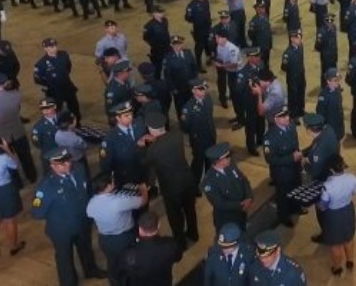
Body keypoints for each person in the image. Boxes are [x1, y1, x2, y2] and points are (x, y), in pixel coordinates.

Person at [31, 148, 107, 286]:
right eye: (61, 163)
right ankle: (69, 282)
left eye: (68, 161)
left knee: (86, 248)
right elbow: (37, 213)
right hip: (62, 230)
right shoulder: (46, 187)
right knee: (65, 257)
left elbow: (87, 190)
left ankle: (91, 270)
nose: (67, 165)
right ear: (52, 165)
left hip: (83, 221)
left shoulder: (79, 168)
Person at [143, 112, 198, 249]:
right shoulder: (177, 135)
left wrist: (144, 145)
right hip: (187, 181)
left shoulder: (152, 150)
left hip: (171, 188)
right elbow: (165, 144)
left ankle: (180, 243)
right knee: (190, 210)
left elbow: (148, 164)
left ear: (151, 130)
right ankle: (193, 234)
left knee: (175, 217)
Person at [85, 173, 148, 286]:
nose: (114, 182)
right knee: (129, 264)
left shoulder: (91, 204)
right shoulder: (118, 202)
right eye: (112, 181)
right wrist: (143, 190)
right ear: (108, 186)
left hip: (105, 240)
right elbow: (142, 202)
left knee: (112, 263)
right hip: (123, 238)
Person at [317, 154, 356, 275]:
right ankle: (350, 261)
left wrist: (317, 203)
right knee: (349, 238)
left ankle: (337, 267)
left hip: (333, 215)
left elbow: (323, 206)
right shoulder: (352, 178)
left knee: (335, 244)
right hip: (348, 210)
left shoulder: (327, 186)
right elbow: (354, 191)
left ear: (330, 170)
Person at [117, 211, 182, 286]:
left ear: (140, 229)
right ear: (159, 225)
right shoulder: (171, 244)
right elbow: (178, 257)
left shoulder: (130, 255)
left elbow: (122, 274)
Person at [202, 142, 254, 232]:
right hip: (227, 219)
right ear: (218, 161)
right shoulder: (209, 182)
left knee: (242, 232)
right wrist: (241, 204)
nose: (230, 158)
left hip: (241, 213)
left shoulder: (231, 165)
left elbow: (244, 181)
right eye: (227, 157)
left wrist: (249, 197)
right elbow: (220, 204)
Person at [263, 107, 302, 227]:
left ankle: (296, 208)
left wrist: (298, 160)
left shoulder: (291, 127)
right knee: (283, 196)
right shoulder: (270, 137)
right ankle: (284, 217)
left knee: (296, 189)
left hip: (295, 168)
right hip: (282, 172)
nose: (287, 118)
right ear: (275, 119)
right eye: (283, 117)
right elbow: (270, 160)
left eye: (287, 116)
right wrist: (291, 158)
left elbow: (296, 145)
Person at [33, 37, 82, 124]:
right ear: (45, 48)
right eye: (51, 46)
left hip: (67, 86)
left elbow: (68, 67)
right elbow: (37, 79)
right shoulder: (41, 64)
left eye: (55, 45)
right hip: (54, 91)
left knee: (74, 106)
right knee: (56, 109)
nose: (54, 48)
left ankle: (77, 122)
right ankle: (57, 125)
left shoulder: (64, 54)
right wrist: (50, 84)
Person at [99, 102, 148, 187]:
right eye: (126, 116)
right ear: (118, 118)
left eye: (131, 114)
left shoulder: (140, 124)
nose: (131, 117)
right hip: (126, 178)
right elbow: (106, 164)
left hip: (144, 171)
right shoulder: (110, 139)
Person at [281, 29, 307, 122]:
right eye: (297, 38)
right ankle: (293, 115)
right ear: (292, 39)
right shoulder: (287, 54)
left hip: (301, 75)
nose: (299, 40)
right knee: (293, 96)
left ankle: (301, 110)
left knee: (301, 94)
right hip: (293, 78)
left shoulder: (301, 47)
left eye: (300, 38)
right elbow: (283, 67)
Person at [31, 97, 60, 175]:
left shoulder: (63, 118)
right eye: (43, 109)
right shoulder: (39, 127)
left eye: (48, 108)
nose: (45, 111)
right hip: (50, 155)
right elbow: (37, 143)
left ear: (54, 107)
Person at [316, 68, 345, 142]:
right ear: (328, 81)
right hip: (330, 128)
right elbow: (320, 114)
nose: (337, 82)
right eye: (335, 80)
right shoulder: (324, 96)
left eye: (338, 80)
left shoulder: (337, 89)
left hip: (339, 125)